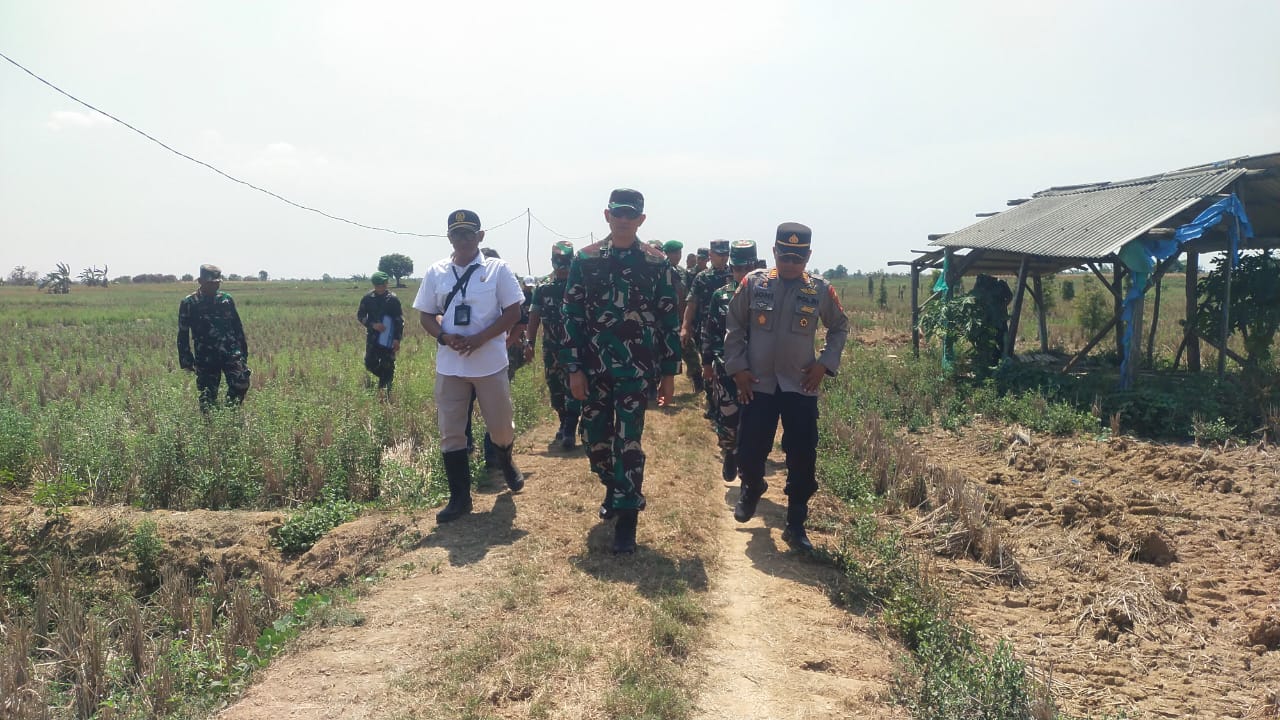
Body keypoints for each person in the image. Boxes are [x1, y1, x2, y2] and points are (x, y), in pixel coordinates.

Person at [562, 188, 679, 554]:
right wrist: (573, 368)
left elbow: (668, 320)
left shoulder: (657, 263)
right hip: (594, 369)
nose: (624, 219)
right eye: (618, 213)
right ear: (607, 215)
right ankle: (613, 487)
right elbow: (572, 315)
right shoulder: (586, 260)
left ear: (641, 219)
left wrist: (669, 373)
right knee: (594, 441)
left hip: (636, 371)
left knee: (628, 442)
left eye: (631, 214)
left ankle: (627, 517)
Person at [723, 223, 849, 551]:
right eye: (785, 256)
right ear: (774, 252)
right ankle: (753, 486)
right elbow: (734, 324)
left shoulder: (819, 289)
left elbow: (839, 327)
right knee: (749, 451)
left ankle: (795, 522)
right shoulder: (754, 283)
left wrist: (824, 363)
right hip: (758, 383)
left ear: (808, 256)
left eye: (798, 257)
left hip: (800, 385)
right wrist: (738, 368)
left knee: (802, 455)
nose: (790, 263)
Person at [415, 209, 526, 523]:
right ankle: (460, 499)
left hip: (489, 362)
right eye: (456, 234)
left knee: (501, 427)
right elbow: (426, 315)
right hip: (451, 364)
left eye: (468, 233)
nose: (462, 239)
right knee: (451, 432)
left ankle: (505, 458)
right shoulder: (436, 271)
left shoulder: (497, 269)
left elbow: (514, 312)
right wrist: (444, 336)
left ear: (480, 236)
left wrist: (481, 338)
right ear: (449, 237)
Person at [701, 240, 757, 484]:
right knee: (727, 417)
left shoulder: (767, 295)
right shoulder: (721, 296)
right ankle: (729, 453)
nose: (741, 273)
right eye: (737, 268)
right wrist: (707, 363)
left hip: (757, 370)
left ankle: (749, 468)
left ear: (755, 266)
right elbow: (710, 331)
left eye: (747, 268)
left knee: (754, 421)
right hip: (726, 369)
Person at [525, 241, 580, 450]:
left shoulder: (580, 284)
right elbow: (534, 316)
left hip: (575, 346)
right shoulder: (543, 287)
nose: (562, 266)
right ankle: (564, 421)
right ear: (552, 261)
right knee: (556, 388)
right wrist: (529, 342)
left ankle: (570, 428)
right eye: (559, 261)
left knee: (574, 386)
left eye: (566, 261)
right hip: (551, 347)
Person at [177, 264, 251, 411]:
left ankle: (230, 413)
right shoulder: (189, 303)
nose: (215, 286)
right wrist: (186, 359)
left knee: (241, 382)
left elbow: (237, 326)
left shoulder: (226, 300)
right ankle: (211, 422)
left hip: (230, 351)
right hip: (206, 355)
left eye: (217, 283)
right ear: (200, 281)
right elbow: (183, 332)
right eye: (211, 283)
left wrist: (243, 351)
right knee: (207, 396)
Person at [683, 239, 732, 406]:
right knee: (708, 363)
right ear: (711, 255)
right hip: (707, 329)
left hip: (730, 327)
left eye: (726, 254)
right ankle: (711, 403)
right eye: (720, 254)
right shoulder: (702, 277)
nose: (723, 258)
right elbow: (691, 303)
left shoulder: (734, 274)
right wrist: (685, 327)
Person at [356, 271, 404, 393]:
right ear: (374, 285)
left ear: (387, 284)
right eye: (378, 285)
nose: (381, 288)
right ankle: (385, 378)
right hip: (373, 337)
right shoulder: (367, 298)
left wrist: (397, 339)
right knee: (369, 363)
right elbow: (361, 316)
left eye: (383, 285)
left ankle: (385, 391)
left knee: (388, 364)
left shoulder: (393, 299)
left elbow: (399, 320)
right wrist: (373, 325)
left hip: (389, 337)